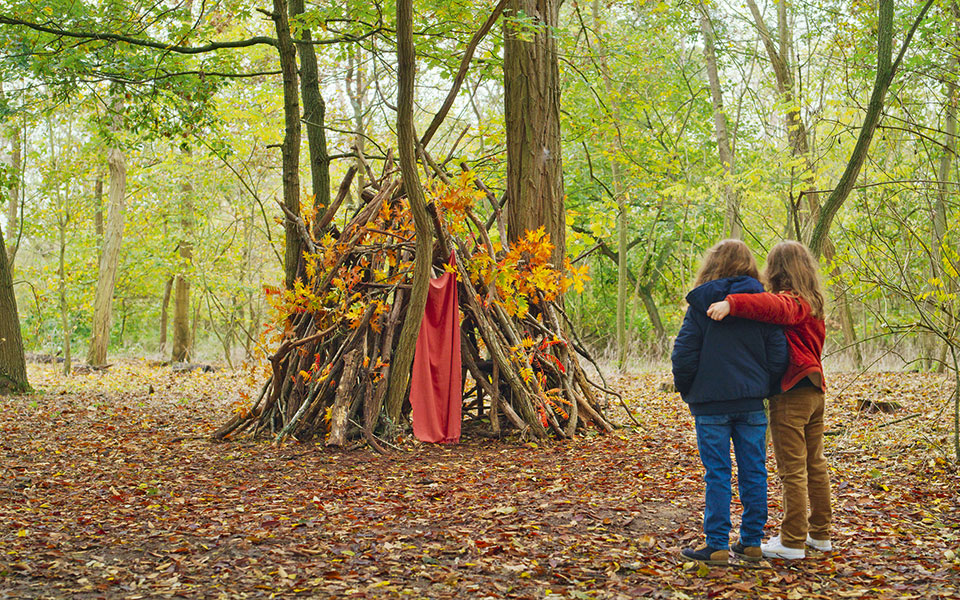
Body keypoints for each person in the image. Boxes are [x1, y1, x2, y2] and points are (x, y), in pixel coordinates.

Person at [706, 240, 832, 560]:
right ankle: (820, 535)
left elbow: (773, 307)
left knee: (793, 470)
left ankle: (791, 541)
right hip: (814, 391)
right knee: (814, 465)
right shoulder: (813, 302)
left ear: (777, 270)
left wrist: (732, 303)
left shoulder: (792, 302)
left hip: (793, 394)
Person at [672, 239, 788, 565]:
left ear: (712, 265)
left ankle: (717, 544)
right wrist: (763, 387)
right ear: (750, 267)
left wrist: (689, 390)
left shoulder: (700, 307)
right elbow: (778, 354)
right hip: (751, 402)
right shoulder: (762, 306)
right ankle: (751, 542)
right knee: (754, 471)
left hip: (710, 405)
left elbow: (683, 356)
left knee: (718, 473)